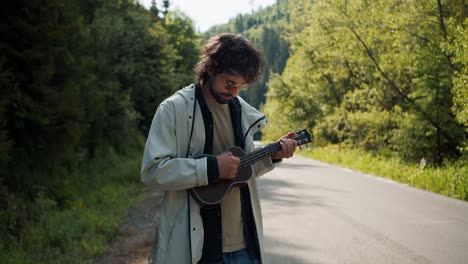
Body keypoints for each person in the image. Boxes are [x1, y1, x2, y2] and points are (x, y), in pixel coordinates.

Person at [141, 33, 298, 264]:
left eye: (240, 86)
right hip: (196, 249)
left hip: (245, 247)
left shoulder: (241, 112)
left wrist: (271, 157)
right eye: (230, 83)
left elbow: (240, 173)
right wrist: (212, 167)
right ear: (211, 68)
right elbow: (153, 171)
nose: (234, 92)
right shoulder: (173, 109)